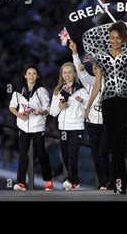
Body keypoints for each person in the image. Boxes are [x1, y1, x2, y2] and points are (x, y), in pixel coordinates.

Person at [85, 21, 127, 194]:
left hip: (125, 101)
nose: (114, 41)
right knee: (114, 142)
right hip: (107, 102)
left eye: (118, 38)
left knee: (119, 139)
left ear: (123, 39)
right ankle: (120, 178)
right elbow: (98, 83)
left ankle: (118, 178)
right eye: (112, 38)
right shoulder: (102, 57)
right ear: (108, 39)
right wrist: (88, 105)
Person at [69, 40, 109, 190]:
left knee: (103, 152)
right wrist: (74, 53)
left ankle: (111, 179)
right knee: (96, 153)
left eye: (99, 66)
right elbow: (81, 73)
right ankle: (104, 182)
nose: (96, 68)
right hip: (91, 122)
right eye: (94, 66)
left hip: (106, 123)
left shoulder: (110, 83)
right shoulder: (90, 82)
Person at [9, 64, 53, 191]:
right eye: (29, 73)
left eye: (34, 73)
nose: (31, 76)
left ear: (38, 76)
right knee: (22, 153)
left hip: (38, 126)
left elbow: (48, 109)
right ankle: (21, 183)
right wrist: (19, 115)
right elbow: (12, 106)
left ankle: (48, 181)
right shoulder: (18, 91)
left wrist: (39, 112)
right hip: (23, 126)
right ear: (25, 75)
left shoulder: (41, 91)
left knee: (41, 153)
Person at [50, 62, 89, 190]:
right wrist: (59, 107)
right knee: (66, 155)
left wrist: (82, 101)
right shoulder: (58, 91)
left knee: (73, 154)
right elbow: (52, 112)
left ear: (74, 73)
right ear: (62, 74)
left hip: (76, 127)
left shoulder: (81, 90)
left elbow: (89, 108)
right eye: (64, 72)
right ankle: (75, 180)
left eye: (69, 72)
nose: (67, 75)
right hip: (63, 128)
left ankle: (71, 179)